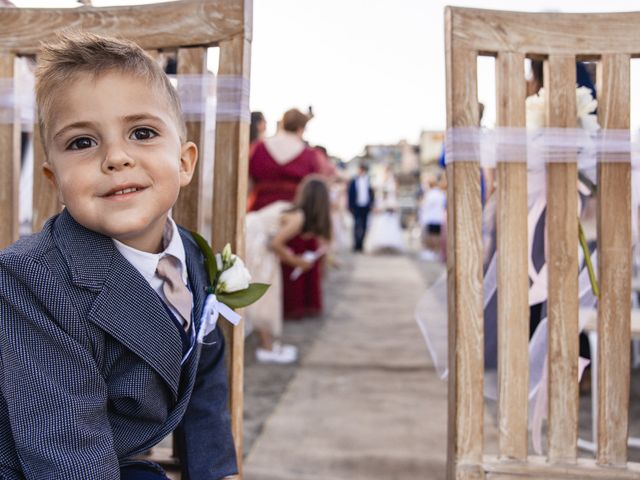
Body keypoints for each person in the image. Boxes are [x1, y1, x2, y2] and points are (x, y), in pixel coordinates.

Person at [0, 33, 236, 479]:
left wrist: (217, 471)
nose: (116, 157)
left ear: (185, 163)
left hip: (118, 457)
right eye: (82, 143)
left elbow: (203, 372)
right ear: (55, 179)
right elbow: (61, 452)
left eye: (142, 133)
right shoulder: (28, 280)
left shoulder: (189, 253)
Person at [245, 176, 332, 363]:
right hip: (254, 245)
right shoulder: (298, 218)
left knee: (264, 293)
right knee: (265, 294)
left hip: (254, 239)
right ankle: (266, 347)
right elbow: (275, 244)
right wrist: (297, 262)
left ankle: (267, 344)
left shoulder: (291, 209)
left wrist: (291, 256)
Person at [247, 108, 320, 212]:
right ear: (300, 129)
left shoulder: (259, 148)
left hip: (259, 212)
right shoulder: (310, 155)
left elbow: (248, 184)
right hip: (291, 218)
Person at [366, 165, 405, 253]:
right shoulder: (381, 182)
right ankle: (382, 245)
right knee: (381, 224)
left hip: (391, 204)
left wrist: (393, 204)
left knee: (390, 224)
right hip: (382, 204)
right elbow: (378, 194)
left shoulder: (394, 182)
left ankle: (390, 245)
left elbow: (396, 194)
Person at [418, 172, 447, 261]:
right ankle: (436, 252)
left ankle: (432, 252)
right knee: (437, 237)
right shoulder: (441, 193)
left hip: (431, 219)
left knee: (431, 236)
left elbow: (424, 205)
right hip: (439, 218)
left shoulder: (430, 194)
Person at [348, 163, 375, 252]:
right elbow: (350, 194)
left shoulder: (369, 181)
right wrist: (350, 206)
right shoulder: (354, 181)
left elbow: (372, 194)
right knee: (356, 225)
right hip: (356, 206)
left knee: (364, 226)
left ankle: (361, 244)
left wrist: (371, 204)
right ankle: (356, 244)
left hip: (366, 207)